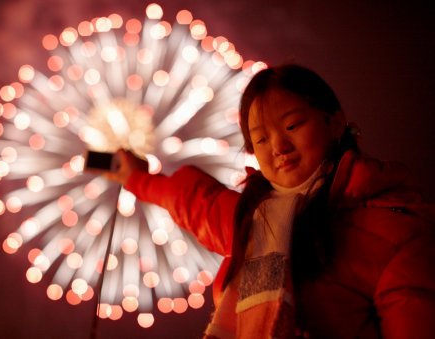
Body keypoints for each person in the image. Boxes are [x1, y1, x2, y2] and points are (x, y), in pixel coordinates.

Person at [102, 64, 435, 338]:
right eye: (260, 139)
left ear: (334, 122)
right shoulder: (253, 222)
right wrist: (135, 178)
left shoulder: (398, 228)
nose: (279, 146)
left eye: (292, 125)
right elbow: (194, 201)